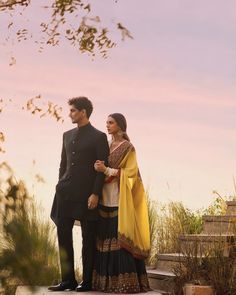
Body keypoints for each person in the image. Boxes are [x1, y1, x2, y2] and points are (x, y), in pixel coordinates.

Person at [49, 97, 109, 292]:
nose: (70, 114)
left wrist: (95, 194)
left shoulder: (99, 137)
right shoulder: (66, 135)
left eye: (73, 110)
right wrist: (59, 184)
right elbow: (63, 165)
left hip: (86, 195)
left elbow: (102, 170)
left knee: (88, 238)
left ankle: (87, 281)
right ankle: (68, 280)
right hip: (65, 193)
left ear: (83, 112)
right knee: (63, 234)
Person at [92, 113, 151, 293]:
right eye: (107, 123)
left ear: (120, 125)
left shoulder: (128, 148)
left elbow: (131, 173)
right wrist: (97, 168)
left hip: (119, 199)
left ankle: (127, 284)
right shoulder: (105, 145)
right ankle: (104, 283)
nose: (107, 126)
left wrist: (106, 169)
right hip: (103, 197)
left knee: (119, 240)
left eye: (111, 123)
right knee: (103, 240)